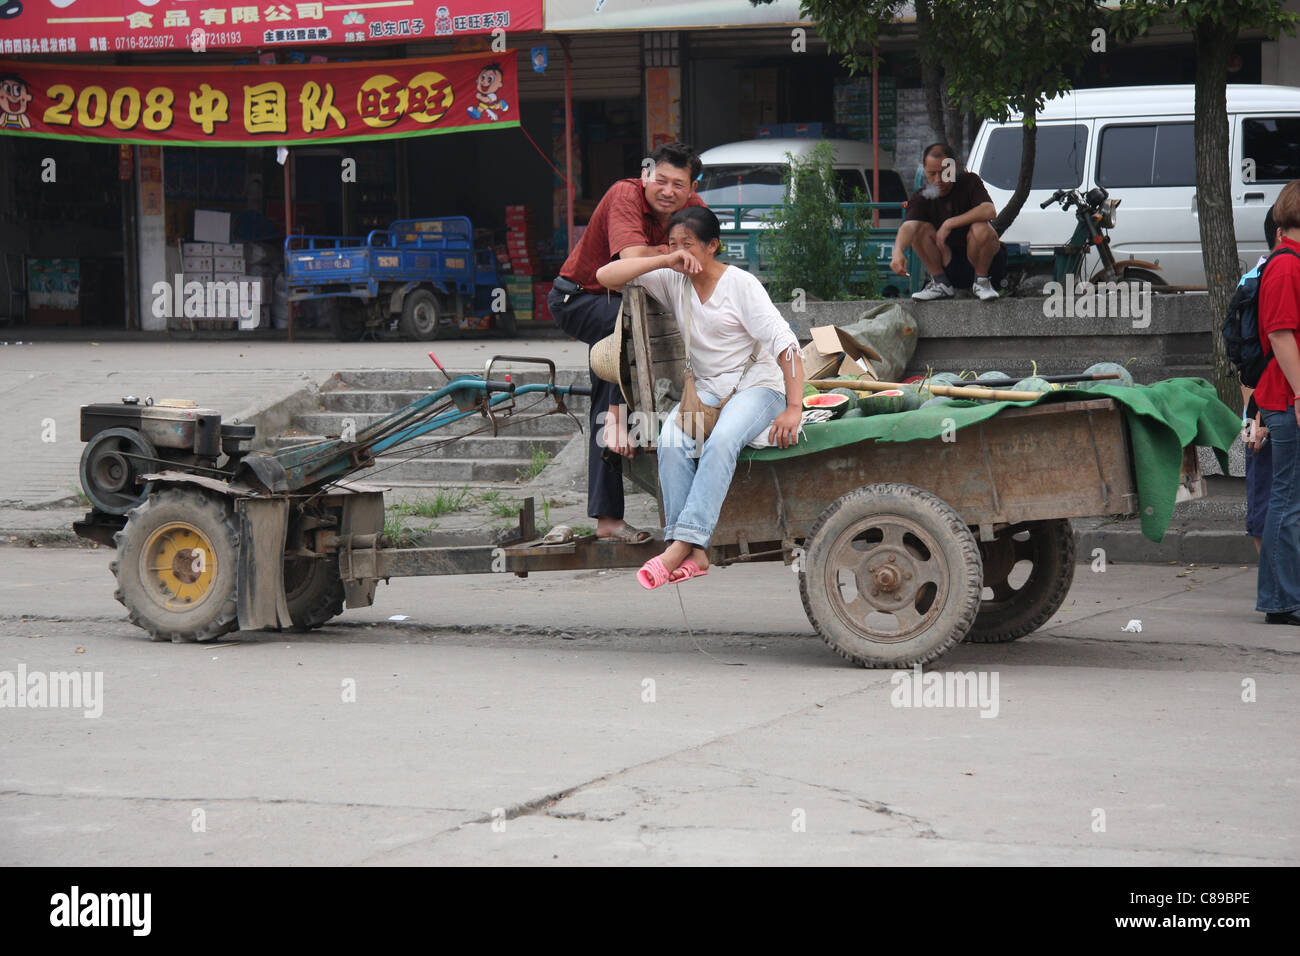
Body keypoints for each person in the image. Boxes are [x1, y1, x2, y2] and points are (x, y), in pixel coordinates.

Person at [595, 206, 804, 589]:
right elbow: (604, 275)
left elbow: (784, 342)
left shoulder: (740, 285)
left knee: (722, 440)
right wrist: (664, 258)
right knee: (671, 441)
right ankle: (696, 553)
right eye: (674, 243)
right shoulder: (673, 279)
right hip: (707, 391)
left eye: (688, 244)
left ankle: (680, 546)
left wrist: (793, 407)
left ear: (713, 246)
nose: (681, 252)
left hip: (758, 386)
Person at [548, 142, 706, 544]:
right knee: (628, 340)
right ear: (646, 175)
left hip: (631, 305)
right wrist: (672, 253)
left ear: (691, 188)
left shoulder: (694, 208)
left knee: (620, 367)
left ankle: (613, 518)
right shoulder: (624, 194)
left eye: (679, 185)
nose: (668, 191)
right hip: (581, 298)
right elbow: (631, 261)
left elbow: (706, 254)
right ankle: (617, 420)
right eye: (660, 180)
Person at [1254, 180, 1300, 625]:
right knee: (1287, 499)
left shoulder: (1288, 260)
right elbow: (1281, 334)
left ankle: (1282, 597)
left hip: (1288, 397)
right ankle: (1283, 601)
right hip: (1288, 400)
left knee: (1290, 498)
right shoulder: (1286, 266)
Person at [891, 142, 1006, 301]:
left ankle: (982, 282)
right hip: (947, 262)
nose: (938, 179)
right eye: (932, 173)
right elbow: (909, 226)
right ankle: (940, 283)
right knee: (918, 229)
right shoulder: (921, 197)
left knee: (981, 226)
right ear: (924, 170)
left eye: (944, 172)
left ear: (954, 167)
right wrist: (897, 251)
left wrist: (950, 223)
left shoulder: (969, 181)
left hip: (983, 260)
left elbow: (989, 210)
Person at [1242, 205, 1279, 551]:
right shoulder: (1256, 282)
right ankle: (1272, 579)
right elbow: (1246, 360)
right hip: (1267, 413)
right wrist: (1253, 423)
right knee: (1265, 511)